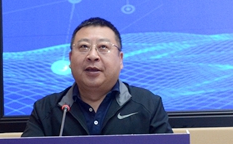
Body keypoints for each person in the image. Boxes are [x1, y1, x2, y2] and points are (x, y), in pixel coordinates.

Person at [22, 17, 173, 137]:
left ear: (120, 59)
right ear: (70, 59)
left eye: (103, 47)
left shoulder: (149, 105)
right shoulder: (45, 110)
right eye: (83, 47)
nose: (92, 55)